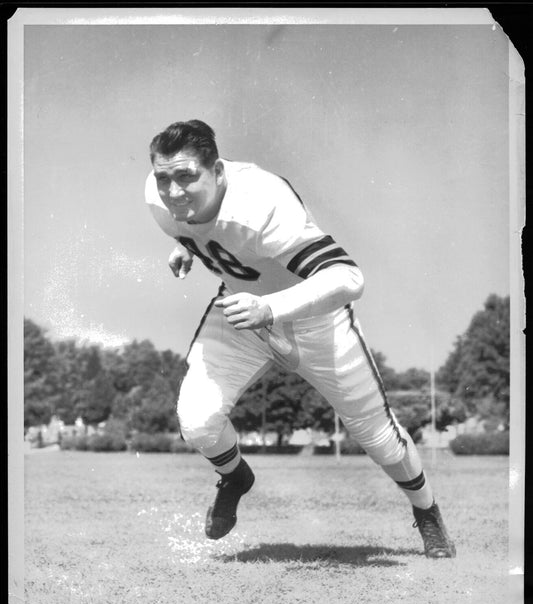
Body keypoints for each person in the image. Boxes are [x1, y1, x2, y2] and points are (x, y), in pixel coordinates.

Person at [145, 119, 456, 559]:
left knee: (378, 437)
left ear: (217, 172)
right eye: (163, 178)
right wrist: (189, 243)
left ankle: (427, 511)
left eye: (185, 178)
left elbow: (348, 277)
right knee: (198, 420)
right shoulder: (162, 196)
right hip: (240, 310)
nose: (173, 192)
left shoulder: (262, 203)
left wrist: (270, 307)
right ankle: (236, 476)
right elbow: (200, 223)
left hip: (316, 320)